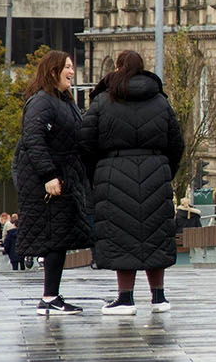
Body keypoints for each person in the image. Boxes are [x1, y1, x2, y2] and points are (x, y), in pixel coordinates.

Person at [79, 49, 184, 316]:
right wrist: (164, 171)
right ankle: (158, 297)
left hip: (113, 173)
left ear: (117, 67)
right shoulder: (161, 101)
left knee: (120, 235)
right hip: (155, 173)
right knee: (155, 234)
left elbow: (86, 143)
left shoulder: (102, 101)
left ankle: (125, 299)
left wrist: (98, 175)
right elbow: (176, 143)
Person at [13, 50, 93, 315]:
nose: (72, 71)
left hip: (64, 177)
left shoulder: (64, 101)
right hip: (48, 182)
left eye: (72, 66)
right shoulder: (42, 102)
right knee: (53, 238)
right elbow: (33, 140)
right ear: (52, 72)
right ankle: (49, 298)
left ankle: (51, 296)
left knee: (58, 238)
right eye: (67, 67)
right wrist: (48, 176)